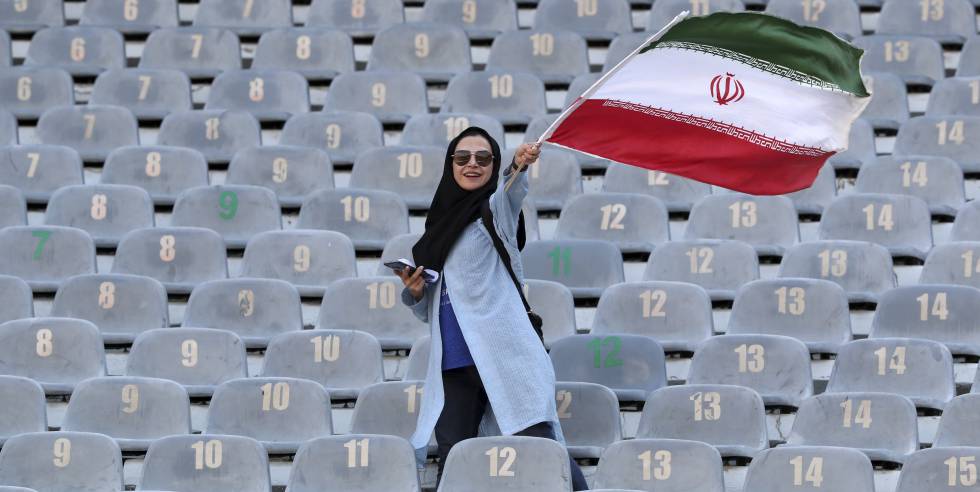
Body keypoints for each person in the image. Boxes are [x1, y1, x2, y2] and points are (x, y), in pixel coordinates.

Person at [397, 126, 588, 490]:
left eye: (483, 158)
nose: (472, 164)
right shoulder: (438, 228)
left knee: (539, 443)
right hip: (454, 361)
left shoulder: (493, 213)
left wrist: (517, 166)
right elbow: (435, 309)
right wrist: (417, 293)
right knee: (454, 457)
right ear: (450, 164)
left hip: (505, 354)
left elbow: (510, 194)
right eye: (462, 157)